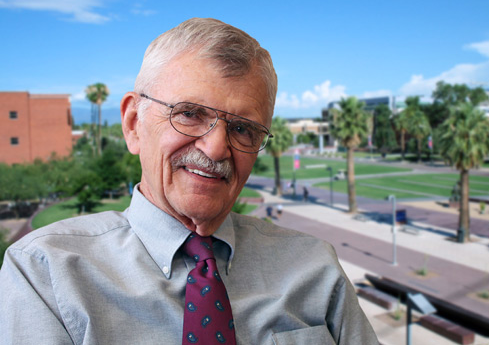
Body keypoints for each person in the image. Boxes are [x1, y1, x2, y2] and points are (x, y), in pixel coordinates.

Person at [0, 18, 378, 344]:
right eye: (190, 113)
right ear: (133, 123)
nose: (215, 149)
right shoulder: (45, 272)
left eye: (243, 128)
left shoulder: (315, 268)